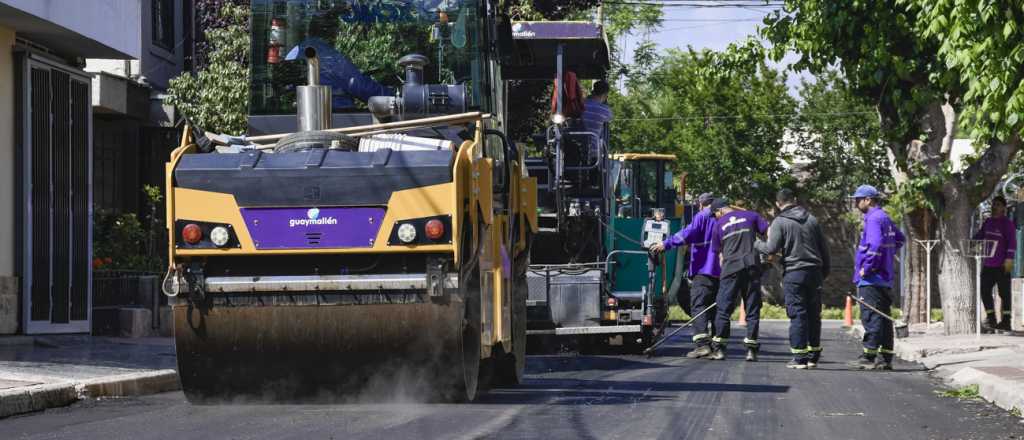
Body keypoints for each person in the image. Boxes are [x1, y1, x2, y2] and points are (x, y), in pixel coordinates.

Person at [754, 189, 831, 369]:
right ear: (794, 200)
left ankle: (799, 358)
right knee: (814, 315)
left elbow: (771, 248)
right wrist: (823, 273)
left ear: (779, 203)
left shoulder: (780, 222)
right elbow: (825, 250)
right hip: (815, 273)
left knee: (797, 314)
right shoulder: (812, 220)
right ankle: (813, 356)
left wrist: (755, 242)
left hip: (794, 273)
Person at [649, 193, 720, 358]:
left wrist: (665, 244)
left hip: (704, 269)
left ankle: (703, 345)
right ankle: (718, 346)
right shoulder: (722, 217)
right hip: (721, 270)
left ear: (701, 204)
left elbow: (687, 233)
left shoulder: (702, 216)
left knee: (698, 305)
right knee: (716, 308)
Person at [848, 185, 905, 371]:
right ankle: (885, 357)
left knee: (871, 316)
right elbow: (900, 239)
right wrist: (888, 256)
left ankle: (869, 356)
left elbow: (876, 244)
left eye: (858, 199)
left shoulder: (873, 219)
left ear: (868, 200)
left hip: (872, 278)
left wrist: (867, 267)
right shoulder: (884, 217)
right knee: (883, 317)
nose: (856, 203)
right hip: (884, 277)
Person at [707, 198, 769, 362]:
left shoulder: (718, 225)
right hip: (751, 267)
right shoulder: (751, 216)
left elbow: (719, 254)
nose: (716, 218)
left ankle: (719, 349)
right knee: (752, 309)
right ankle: (751, 351)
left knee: (723, 309)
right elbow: (768, 232)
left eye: (715, 215)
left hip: (731, 269)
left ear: (719, 211)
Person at [973, 195, 1017, 331]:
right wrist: (971, 242)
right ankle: (991, 319)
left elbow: (1012, 242)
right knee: (984, 290)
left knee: (1004, 293)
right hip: (988, 264)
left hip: (1002, 264)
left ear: (1004, 208)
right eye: (993, 204)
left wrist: (1009, 258)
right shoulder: (988, 222)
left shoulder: (1007, 224)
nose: (994, 207)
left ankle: (1006, 321)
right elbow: (980, 235)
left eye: (998, 205)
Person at [580, 80, 613, 160]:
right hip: (594, 151)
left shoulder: (581, 105)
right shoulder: (605, 110)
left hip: (576, 148)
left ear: (593, 91)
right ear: (605, 95)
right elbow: (609, 118)